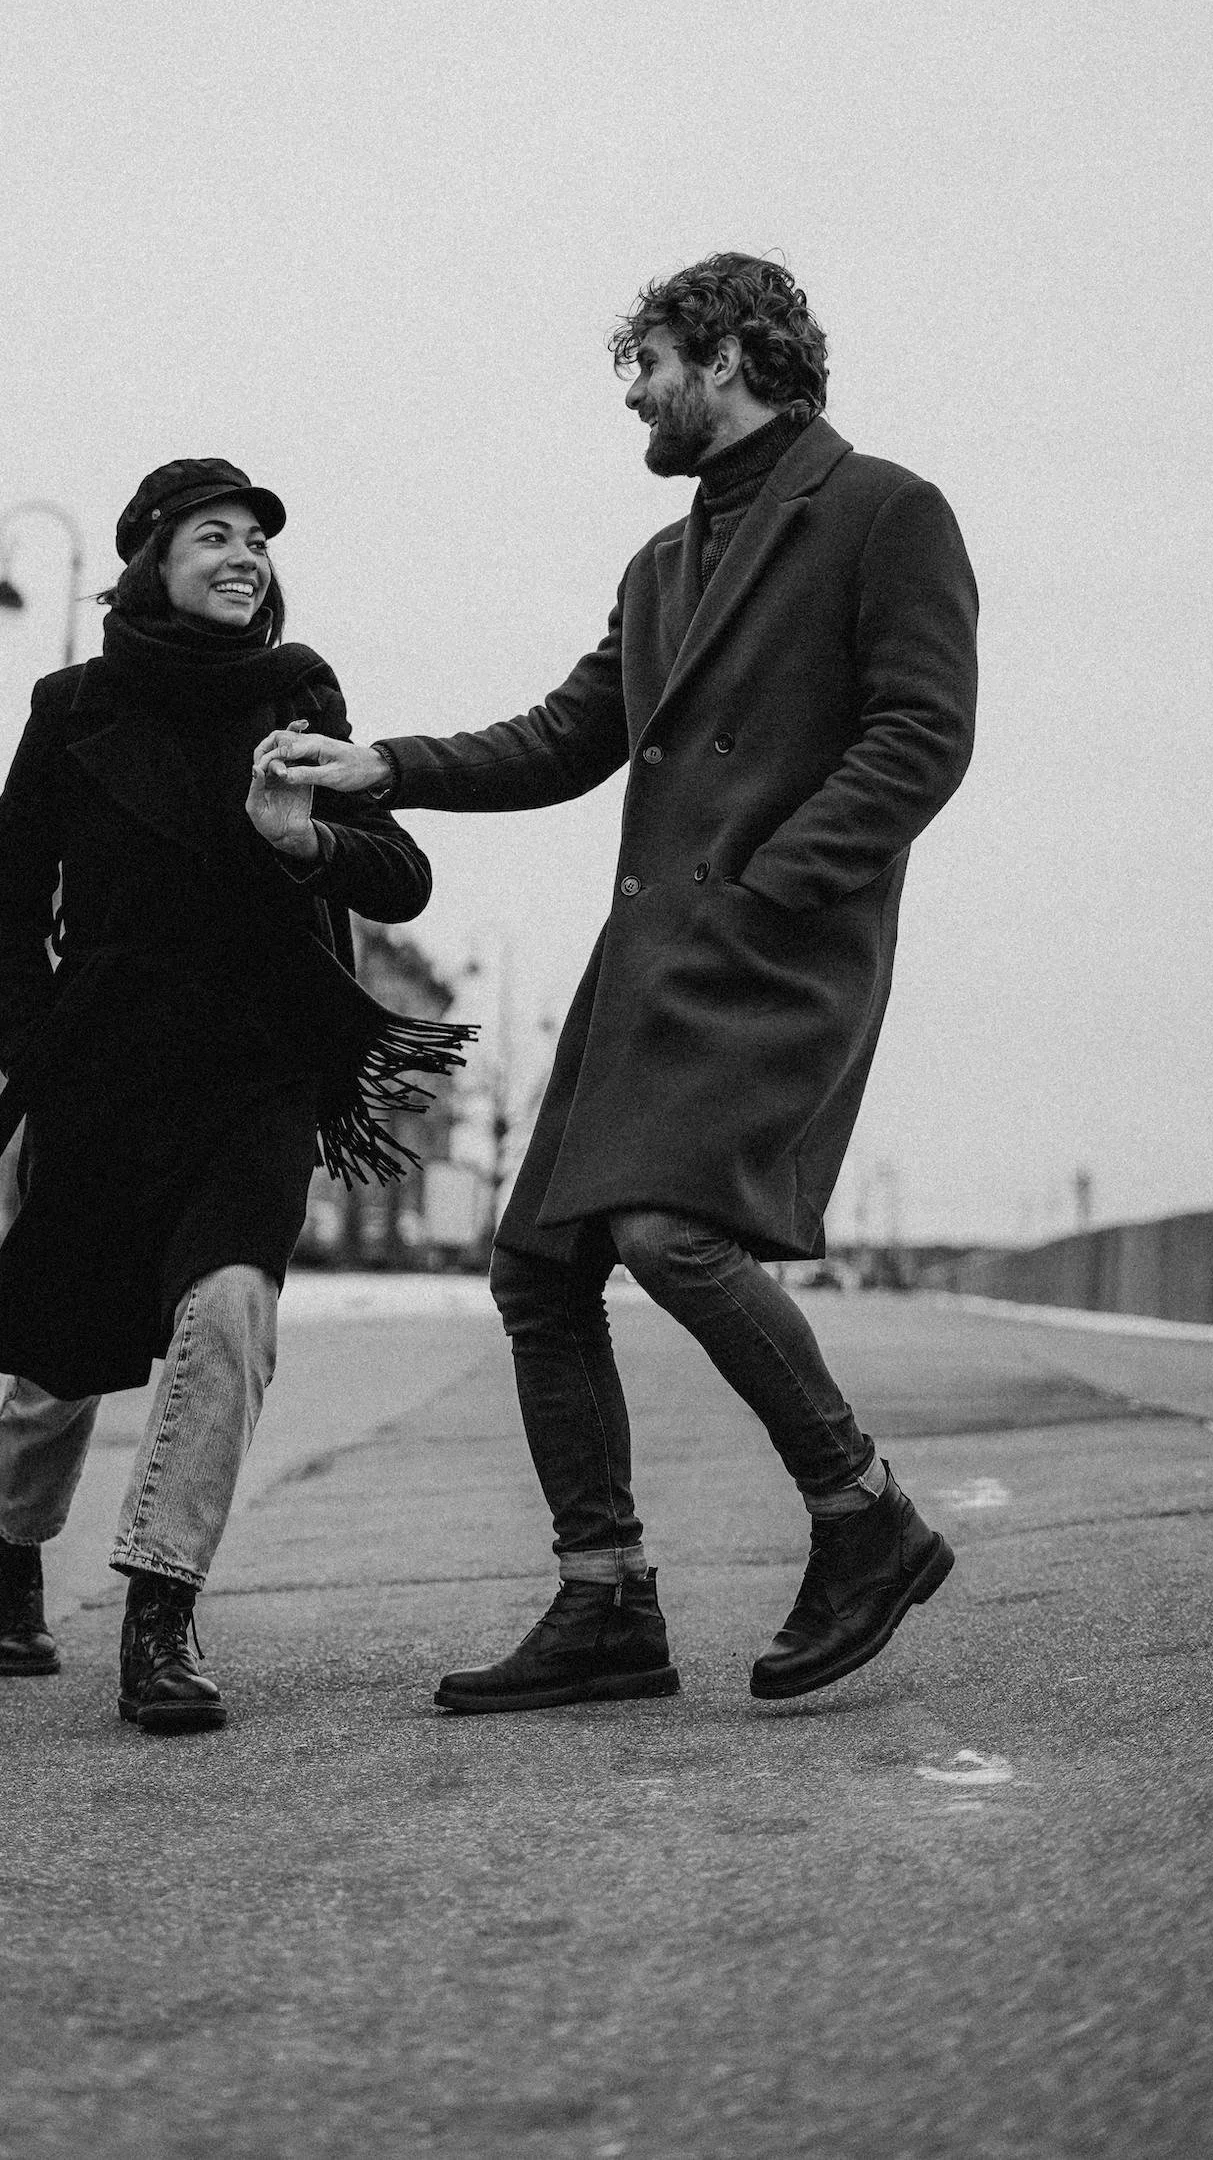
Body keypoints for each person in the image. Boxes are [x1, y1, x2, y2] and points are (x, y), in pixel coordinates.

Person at [259, 255, 979, 1712]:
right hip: (649, 963)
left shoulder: (886, 512)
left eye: (645, 362)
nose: (633, 395)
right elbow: (565, 737)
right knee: (536, 1268)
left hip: (775, 953)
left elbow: (921, 735)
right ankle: (606, 1599)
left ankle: (865, 1514)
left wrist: (773, 886)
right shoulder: (663, 563)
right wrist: (384, 767)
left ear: (725, 353)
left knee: (671, 1232)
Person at [0, 457, 467, 1734]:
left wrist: (303, 840)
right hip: (107, 1066)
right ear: (150, 559)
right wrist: (35, 1047)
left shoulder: (299, 691)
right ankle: (16, 1551)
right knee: (59, 1360)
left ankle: (159, 1613)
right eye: (213, 535)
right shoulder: (70, 704)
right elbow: (10, 905)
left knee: (232, 1312)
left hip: (257, 1062)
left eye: (256, 538)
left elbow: (400, 876)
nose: (243, 555)